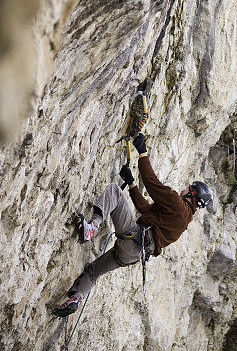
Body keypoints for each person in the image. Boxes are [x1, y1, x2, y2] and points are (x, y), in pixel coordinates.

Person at [53, 133, 214, 317]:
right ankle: (77, 297)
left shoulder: (178, 205)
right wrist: (131, 183)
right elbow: (145, 209)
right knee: (93, 271)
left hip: (134, 238)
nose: (185, 188)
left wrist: (143, 152)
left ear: (192, 195)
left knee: (114, 191)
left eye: (189, 188)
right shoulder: (183, 220)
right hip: (133, 255)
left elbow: (153, 184)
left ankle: (91, 227)